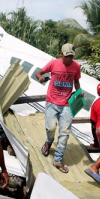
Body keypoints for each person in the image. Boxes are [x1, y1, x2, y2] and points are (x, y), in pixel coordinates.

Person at [36, 43, 82, 173]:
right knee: (50, 128)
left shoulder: (76, 67)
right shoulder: (53, 64)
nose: (69, 59)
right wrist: (40, 78)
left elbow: (76, 81)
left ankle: (58, 160)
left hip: (67, 104)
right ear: (61, 54)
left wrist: (79, 91)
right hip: (52, 102)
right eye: (67, 56)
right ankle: (48, 142)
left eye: (71, 57)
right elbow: (39, 73)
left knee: (65, 133)